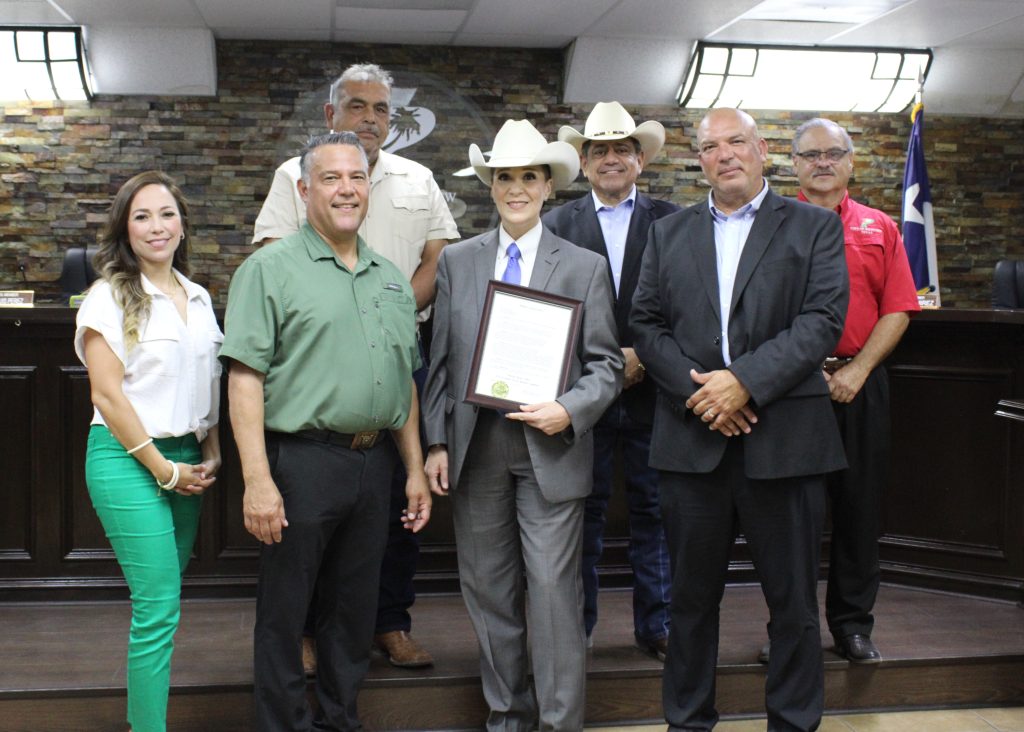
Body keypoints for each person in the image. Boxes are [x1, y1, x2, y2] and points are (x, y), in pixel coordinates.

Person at [631, 107, 849, 732]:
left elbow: (822, 320)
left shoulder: (812, 227)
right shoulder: (669, 234)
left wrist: (744, 383)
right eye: (708, 146)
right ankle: (689, 721)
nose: (723, 154)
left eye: (736, 142)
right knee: (691, 603)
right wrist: (705, 394)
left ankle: (794, 721)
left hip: (786, 443)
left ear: (760, 149)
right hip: (691, 440)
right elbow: (645, 324)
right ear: (697, 159)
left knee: (793, 605)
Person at [221, 131, 430, 732]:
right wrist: (257, 479)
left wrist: (414, 468)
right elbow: (243, 379)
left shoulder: (390, 277)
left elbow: (404, 381)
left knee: (353, 610)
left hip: (375, 468)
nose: (347, 189)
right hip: (302, 462)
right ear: (304, 188)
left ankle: (342, 719)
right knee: (287, 615)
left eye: (358, 177)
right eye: (333, 178)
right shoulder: (269, 270)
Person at [253, 61, 457, 671]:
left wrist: (384, 313)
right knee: (312, 516)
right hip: (319, 368)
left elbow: (437, 261)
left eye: (381, 110)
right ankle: (312, 631)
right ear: (331, 114)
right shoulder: (295, 175)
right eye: (358, 106)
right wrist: (350, 316)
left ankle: (389, 622)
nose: (370, 119)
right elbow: (272, 260)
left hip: (399, 361)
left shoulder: (419, 179)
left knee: (398, 503)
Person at [423, 119, 623, 731]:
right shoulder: (458, 261)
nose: (516, 188)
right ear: (490, 185)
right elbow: (440, 362)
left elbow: (607, 364)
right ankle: (507, 717)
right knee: (488, 595)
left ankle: (560, 724)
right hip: (475, 448)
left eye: (528, 177)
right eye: (504, 177)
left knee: (555, 596)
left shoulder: (584, 266)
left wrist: (571, 408)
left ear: (547, 186)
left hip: (550, 449)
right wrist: (434, 440)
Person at [75, 170, 222, 732]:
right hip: (127, 459)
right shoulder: (108, 296)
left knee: (164, 602)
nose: (156, 227)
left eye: (166, 214)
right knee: (158, 606)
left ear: (182, 224)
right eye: (142, 216)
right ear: (125, 229)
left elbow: (207, 382)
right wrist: (164, 471)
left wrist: (209, 449)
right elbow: (106, 395)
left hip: (187, 459)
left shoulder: (200, 297)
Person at [543, 101, 679, 660]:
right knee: (584, 511)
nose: (612, 159)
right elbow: (546, 306)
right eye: (600, 150)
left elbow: (687, 306)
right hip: (584, 396)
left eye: (622, 148)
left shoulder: (674, 221)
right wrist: (599, 367)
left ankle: (660, 626)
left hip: (657, 394)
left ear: (640, 159)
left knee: (658, 511)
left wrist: (642, 357)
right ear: (583, 160)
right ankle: (579, 627)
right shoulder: (556, 225)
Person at [790, 117, 920, 663]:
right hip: (791, 389)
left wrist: (857, 370)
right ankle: (790, 632)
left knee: (859, 508)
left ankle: (852, 626)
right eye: (811, 154)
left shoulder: (880, 227)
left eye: (833, 153)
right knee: (792, 516)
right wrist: (801, 371)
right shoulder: (773, 225)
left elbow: (898, 308)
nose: (823, 162)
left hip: (859, 382)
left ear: (851, 162)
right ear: (793, 164)